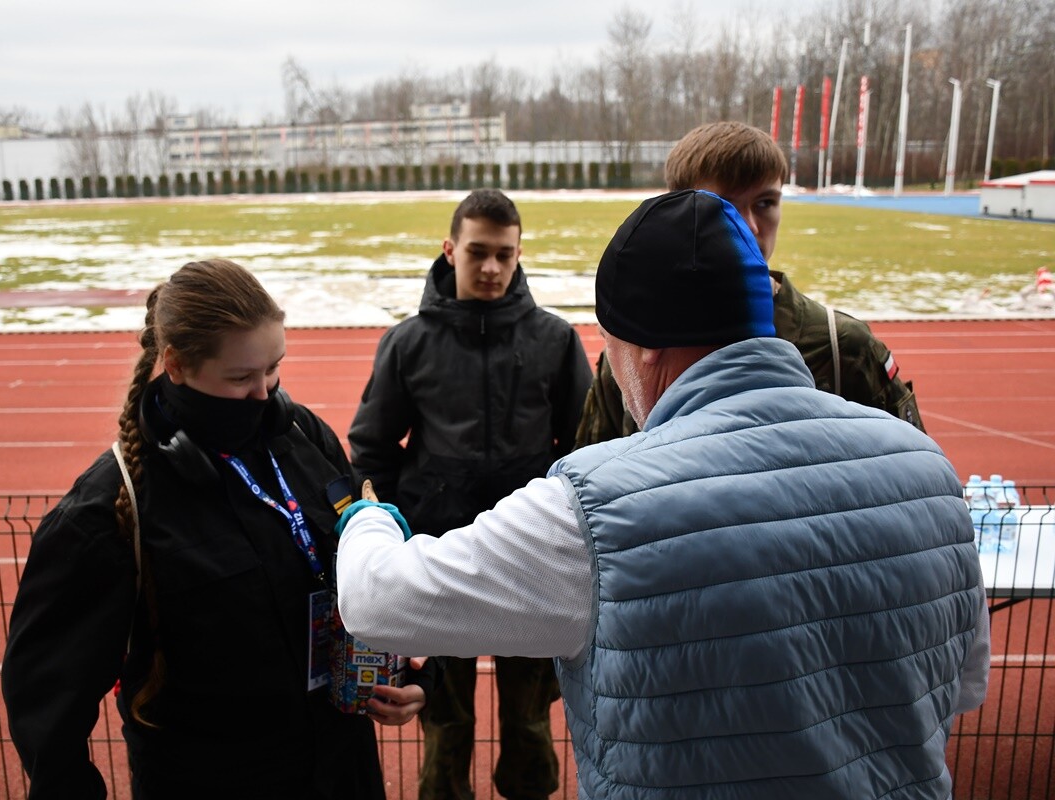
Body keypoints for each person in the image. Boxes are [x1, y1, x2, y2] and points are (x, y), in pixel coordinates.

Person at [336, 190, 990, 799]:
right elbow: (962, 686)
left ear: (641, 350)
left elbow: (375, 598)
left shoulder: (594, 506)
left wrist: (369, 516)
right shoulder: (928, 470)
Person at [1, 259, 428, 799]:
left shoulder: (305, 437)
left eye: (274, 368)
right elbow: (47, 700)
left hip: (343, 769)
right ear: (176, 366)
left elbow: (361, 571)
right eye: (241, 377)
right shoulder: (108, 508)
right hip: (211, 779)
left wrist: (411, 675)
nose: (265, 391)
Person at [346, 188, 592, 800]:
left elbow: (586, 446)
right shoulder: (408, 343)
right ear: (450, 249)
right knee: (444, 727)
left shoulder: (555, 340)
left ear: (518, 254)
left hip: (533, 561)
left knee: (533, 726)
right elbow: (372, 450)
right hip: (441, 561)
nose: (490, 268)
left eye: (503, 255)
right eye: (477, 252)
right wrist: (397, 526)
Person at [575, 120, 925, 450]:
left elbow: (912, 474)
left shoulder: (841, 347)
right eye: (722, 206)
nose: (750, 226)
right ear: (677, 209)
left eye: (765, 203)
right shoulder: (637, 355)